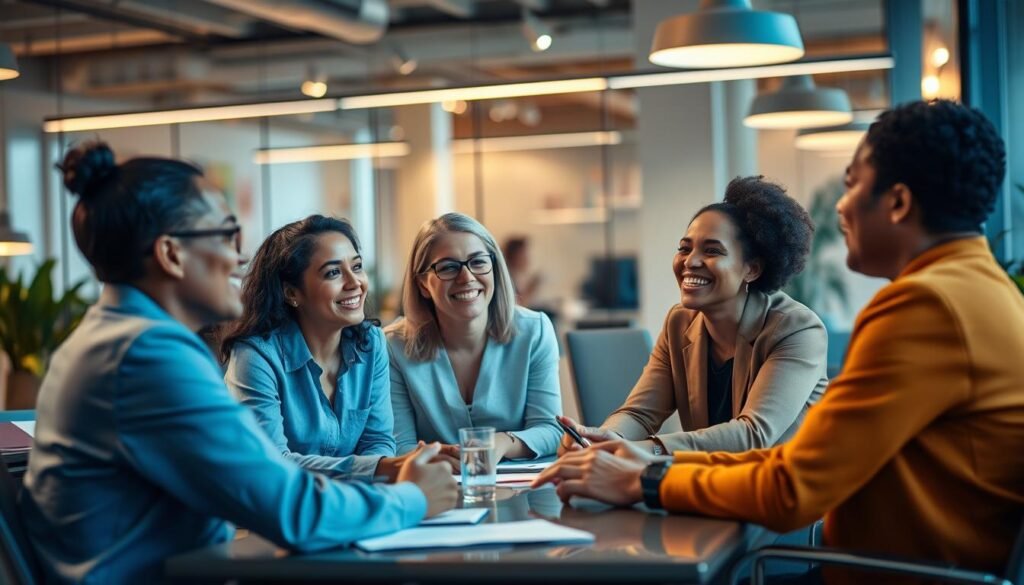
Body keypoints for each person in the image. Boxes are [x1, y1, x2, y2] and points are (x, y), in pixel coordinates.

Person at [534, 100, 1024, 584]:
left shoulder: (925, 307)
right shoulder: (984, 291)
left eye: (853, 184)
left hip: (892, 574)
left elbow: (793, 488)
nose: (839, 204)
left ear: (897, 202)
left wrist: (643, 477)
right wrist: (626, 448)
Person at [22, 142, 457, 584]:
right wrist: (412, 497)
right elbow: (290, 508)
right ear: (172, 254)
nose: (241, 256)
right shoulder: (146, 357)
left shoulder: (122, 338)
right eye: (226, 234)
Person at [559, 176, 827, 456]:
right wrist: (603, 439)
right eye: (685, 248)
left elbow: (754, 433)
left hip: (786, 488)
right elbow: (639, 414)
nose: (690, 261)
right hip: (710, 486)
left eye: (712, 251)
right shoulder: (679, 322)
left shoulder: (796, 329)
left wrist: (649, 450)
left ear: (752, 269)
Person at [221, 215, 441, 480]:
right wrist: (379, 468)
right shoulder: (255, 357)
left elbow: (378, 442)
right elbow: (271, 463)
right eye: (333, 272)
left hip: (355, 502)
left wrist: (380, 469)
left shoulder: (370, 343)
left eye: (357, 267)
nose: (355, 283)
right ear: (291, 293)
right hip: (276, 513)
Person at [386, 212, 562, 459]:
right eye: (448, 267)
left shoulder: (535, 331)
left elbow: (552, 430)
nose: (466, 278)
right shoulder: (391, 346)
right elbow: (399, 446)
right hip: (435, 488)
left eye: (478, 262)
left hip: (524, 492)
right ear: (423, 284)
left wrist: (502, 443)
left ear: (494, 269)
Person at [502, 236, 542, 306]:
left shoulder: (512, 276)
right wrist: (532, 286)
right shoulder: (506, 278)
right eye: (524, 254)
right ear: (514, 256)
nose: (528, 258)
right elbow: (518, 306)